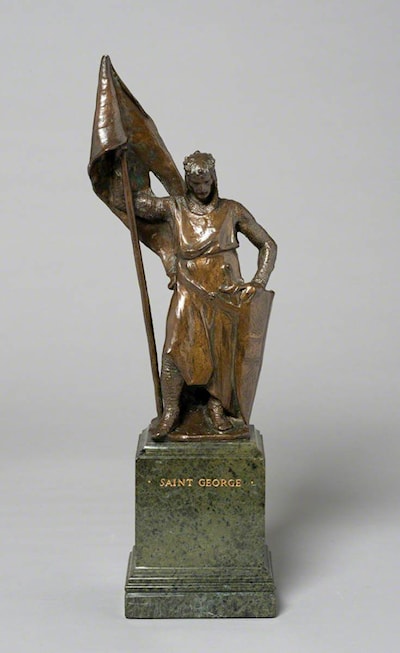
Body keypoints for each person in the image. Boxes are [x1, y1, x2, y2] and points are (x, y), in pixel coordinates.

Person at [134, 151, 277, 441]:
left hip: (224, 293)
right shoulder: (175, 207)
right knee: (174, 348)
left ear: (214, 179)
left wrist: (259, 281)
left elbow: (267, 245)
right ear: (187, 182)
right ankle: (171, 411)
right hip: (189, 289)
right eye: (196, 183)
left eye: (206, 182)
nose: (201, 189)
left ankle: (216, 408)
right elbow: (141, 204)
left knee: (221, 354)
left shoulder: (232, 210)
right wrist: (130, 159)